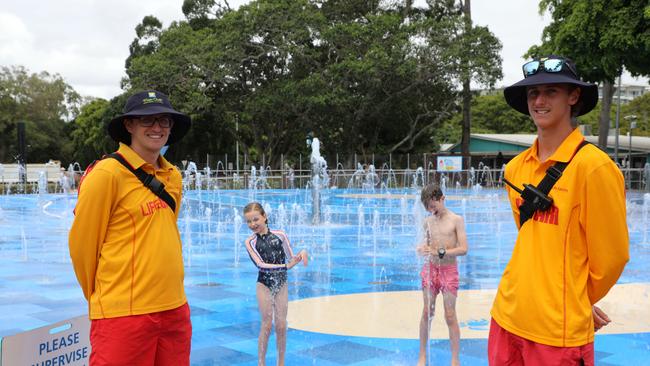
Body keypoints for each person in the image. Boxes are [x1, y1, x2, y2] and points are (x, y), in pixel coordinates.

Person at [489, 56, 629, 365]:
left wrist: (573, 298)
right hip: (507, 316)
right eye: (532, 94)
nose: (539, 101)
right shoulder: (515, 168)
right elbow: (531, 240)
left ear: (573, 96)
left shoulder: (594, 168)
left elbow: (612, 258)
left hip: (556, 334)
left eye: (551, 91)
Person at [69, 90, 192, 365]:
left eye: (164, 120)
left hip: (174, 308)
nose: (157, 127)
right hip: (123, 315)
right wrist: (108, 298)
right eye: (147, 120)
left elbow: (163, 231)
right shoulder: (106, 174)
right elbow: (82, 248)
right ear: (130, 125)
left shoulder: (173, 176)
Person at [243, 202, 308, 366]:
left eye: (256, 219)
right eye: (249, 222)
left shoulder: (280, 235)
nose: (253, 225)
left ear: (264, 216)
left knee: (280, 324)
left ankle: (281, 362)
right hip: (264, 284)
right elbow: (260, 265)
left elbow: (291, 257)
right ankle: (261, 363)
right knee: (266, 323)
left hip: (281, 284)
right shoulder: (250, 242)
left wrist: (302, 253)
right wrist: (285, 266)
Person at [417, 184, 469, 366]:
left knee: (449, 314)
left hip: (448, 271)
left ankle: (455, 359)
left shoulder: (456, 220)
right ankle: (422, 355)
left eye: (434, 206)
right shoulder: (428, 222)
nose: (432, 211)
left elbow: (463, 249)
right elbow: (425, 245)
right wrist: (422, 249)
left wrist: (440, 252)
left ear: (442, 199)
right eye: (428, 208)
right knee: (426, 311)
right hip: (430, 270)